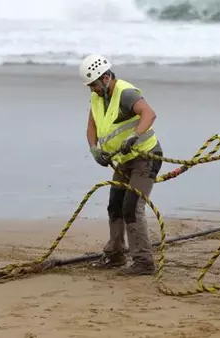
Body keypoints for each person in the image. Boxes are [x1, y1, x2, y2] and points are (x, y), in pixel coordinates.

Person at [80, 54, 163, 276]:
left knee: (131, 207)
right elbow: (92, 126)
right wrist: (94, 149)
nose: (92, 90)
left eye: (94, 85)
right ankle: (115, 255)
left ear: (106, 78)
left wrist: (135, 136)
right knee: (115, 205)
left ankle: (144, 263)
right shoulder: (98, 98)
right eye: (89, 86)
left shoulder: (125, 93)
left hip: (146, 157)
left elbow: (149, 113)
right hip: (123, 162)